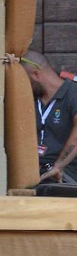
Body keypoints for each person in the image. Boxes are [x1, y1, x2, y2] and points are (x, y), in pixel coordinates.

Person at [22, 51, 77, 183]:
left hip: (65, 171)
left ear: (35, 75)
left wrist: (58, 166)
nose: (22, 86)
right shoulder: (32, 98)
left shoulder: (73, 93)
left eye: (24, 80)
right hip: (32, 170)